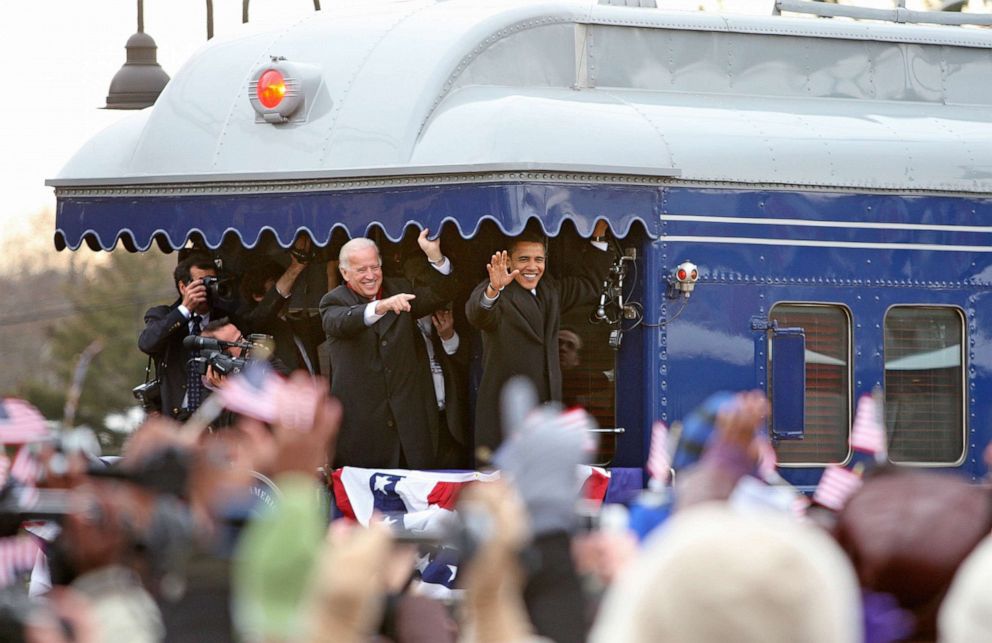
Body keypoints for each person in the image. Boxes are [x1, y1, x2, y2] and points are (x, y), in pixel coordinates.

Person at [465, 222, 613, 455]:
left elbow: (590, 285)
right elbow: (478, 314)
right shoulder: (497, 293)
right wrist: (493, 289)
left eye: (539, 259)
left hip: (546, 417)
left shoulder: (549, 289)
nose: (532, 267)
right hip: (506, 419)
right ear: (509, 262)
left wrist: (599, 236)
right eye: (524, 259)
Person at [319, 230, 458, 469]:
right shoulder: (333, 301)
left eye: (375, 267)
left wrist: (436, 258)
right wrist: (380, 307)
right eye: (361, 270)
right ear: (344, 273)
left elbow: (440, 293)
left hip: (410, 435)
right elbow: (341, 322)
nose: (371, 276)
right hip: (363, 437)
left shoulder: (399, 289)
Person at [138, 252, 231, 420]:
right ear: (183, 287)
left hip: (216, 420)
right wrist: (185, 309)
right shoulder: (163, 316)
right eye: (202, 283)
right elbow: (147, 343)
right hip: (175, 418)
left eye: (212, 282)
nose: (208, 289)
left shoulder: (227, 321)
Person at [237, 237, 327, 375]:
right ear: (257, 295)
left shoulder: (299, 326)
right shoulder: (253, 327)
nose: (288, 289)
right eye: (276, 285)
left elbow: (331, 319)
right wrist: (295, 267)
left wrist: (334, 272)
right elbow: (264, 313)